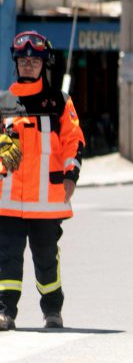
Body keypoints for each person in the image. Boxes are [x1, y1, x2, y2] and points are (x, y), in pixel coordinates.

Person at [0, 31, 85, 331]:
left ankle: (52, 311)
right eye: (23, 60)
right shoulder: (4, 102)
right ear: (16, 62)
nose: (28, 65)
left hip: (47, 203)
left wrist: (71, 176)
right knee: (6, 260)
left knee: (46, 261)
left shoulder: (59, 102)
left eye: (33, 61)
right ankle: (4, 312)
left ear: (43, 64)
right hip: (8, 201)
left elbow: (73, 142)